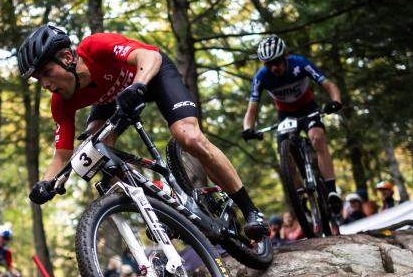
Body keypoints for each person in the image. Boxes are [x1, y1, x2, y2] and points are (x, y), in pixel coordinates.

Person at [19, 25, 269, 241]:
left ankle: (250, 210)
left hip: (152, 74)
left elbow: (148, 56)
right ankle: (162, 199)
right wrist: (46, 183)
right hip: (112, 97)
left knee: (188, 137)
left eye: (46, 73)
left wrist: (138, 86)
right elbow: (62, 156)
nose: (45, 84)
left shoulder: (95, 46)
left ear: (65, 57)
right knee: (95, 153)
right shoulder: (61, 101)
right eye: (38, 80)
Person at [241, 35, 344, 212]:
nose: (274, 67)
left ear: (286, 56)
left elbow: (329, 85)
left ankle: (331, 191)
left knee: (317, 138)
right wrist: (248, 129)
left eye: (277, 62)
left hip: (307, 108)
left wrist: (335, 101)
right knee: (286, 156)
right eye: (268, 64)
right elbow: (252, 109)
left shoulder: (300, 63)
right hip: (285, 115)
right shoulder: (262, 77)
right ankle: (301, 196)